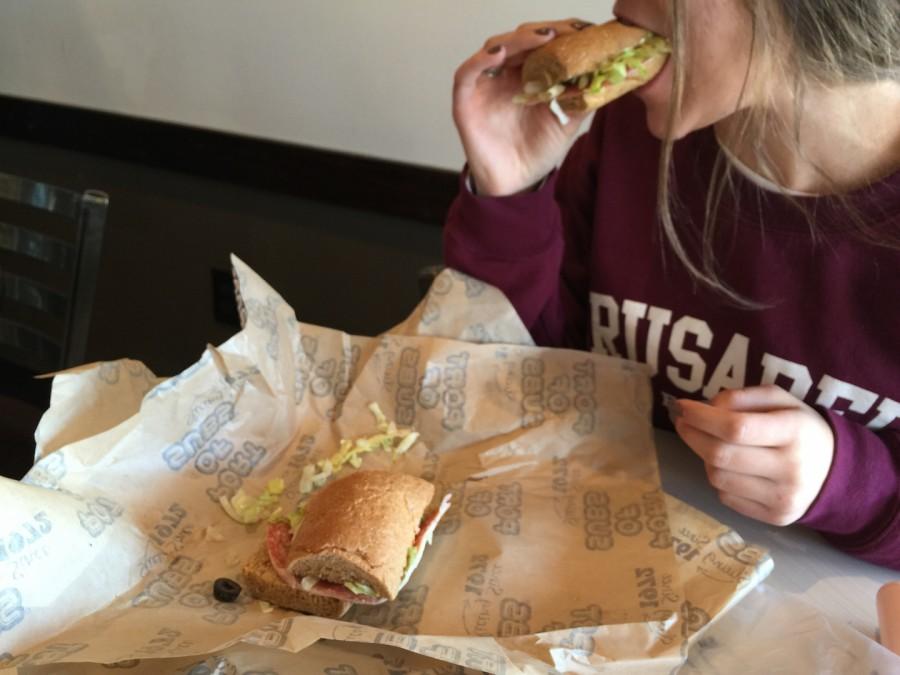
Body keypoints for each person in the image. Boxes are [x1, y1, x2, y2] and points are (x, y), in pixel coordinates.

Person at [443, 0, 900, 570]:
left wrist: (847, 482)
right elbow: (523, 373)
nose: (618, 5)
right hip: (578, 561)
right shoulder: (631, 133)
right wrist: (510, 192)